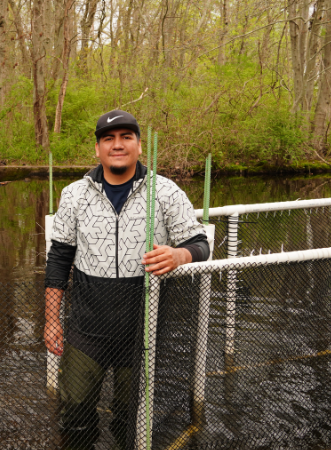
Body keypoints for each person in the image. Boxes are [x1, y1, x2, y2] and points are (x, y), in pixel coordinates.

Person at [44, 110, 209, 449]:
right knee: (73, 407)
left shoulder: (164, 192)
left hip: (143, 330)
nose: (117, 145)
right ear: (97, 148)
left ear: (138, 145)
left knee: (129, 416)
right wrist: (51, 321)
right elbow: (59, 259)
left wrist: (179, 255)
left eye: (126, 137)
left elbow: (201, 243)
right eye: (109, 138)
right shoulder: (75, 194)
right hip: (87, 326)